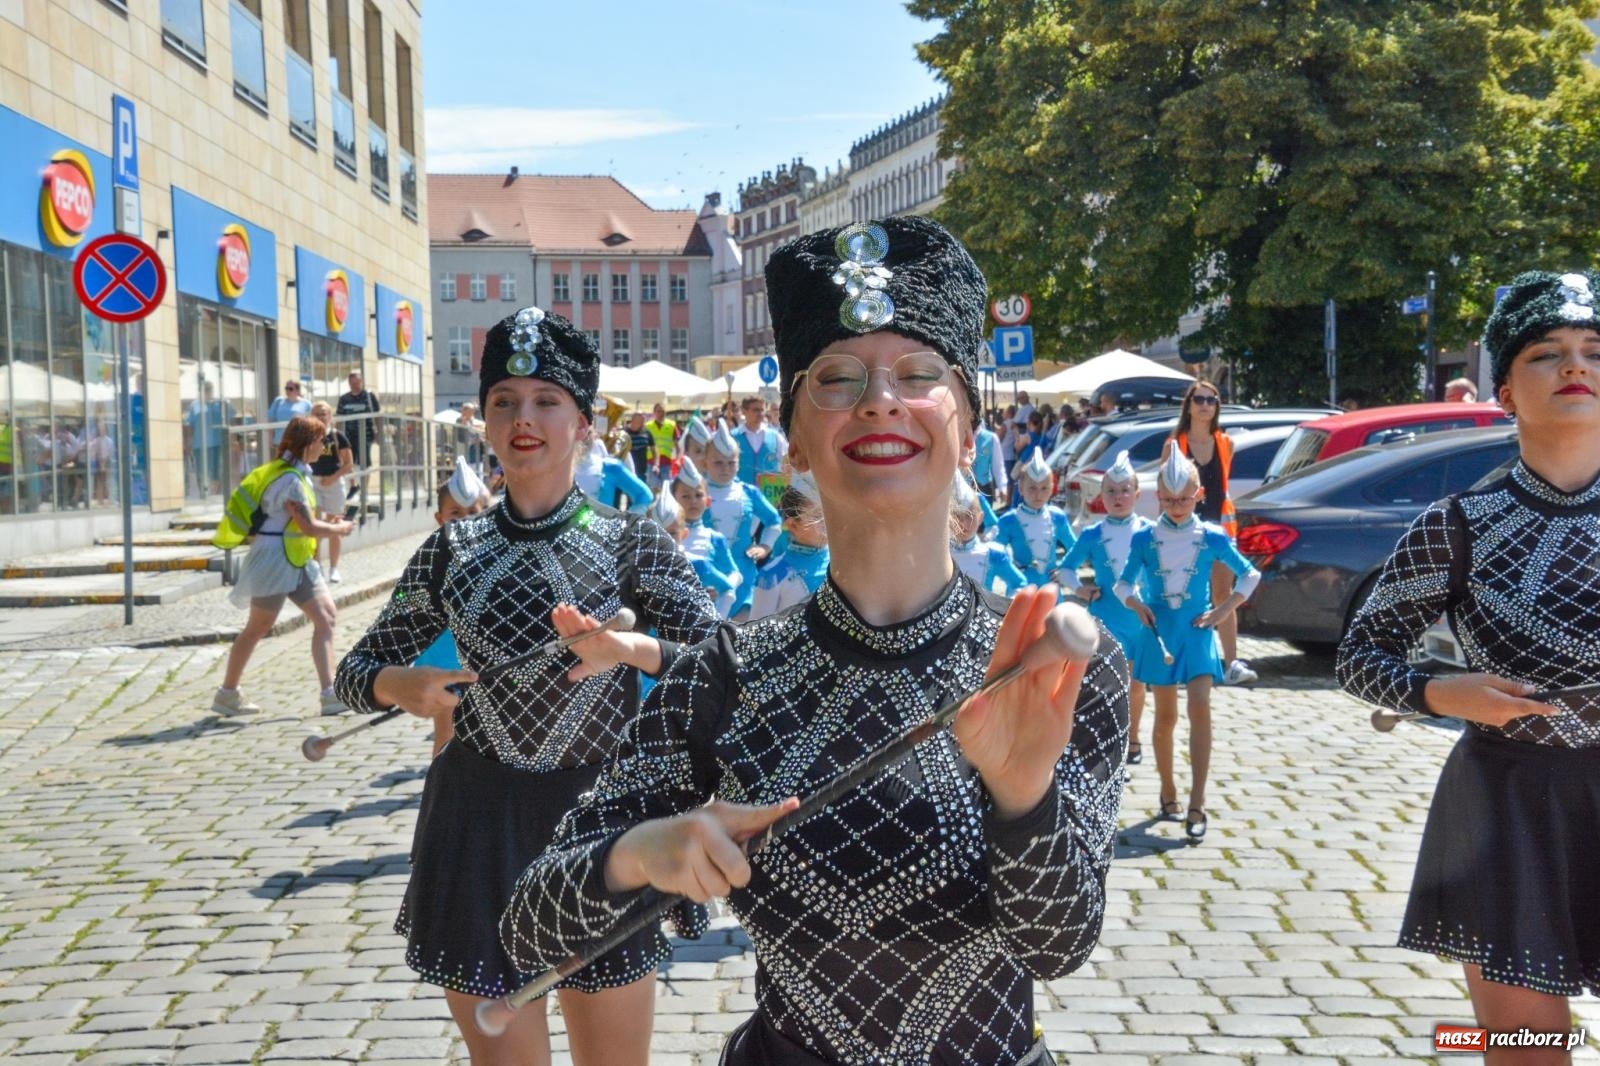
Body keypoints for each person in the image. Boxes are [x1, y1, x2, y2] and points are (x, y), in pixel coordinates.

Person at [500, 216, 1129, 1066]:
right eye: (837, 378)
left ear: (970, 430)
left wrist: (1023, 800)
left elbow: (1060, 946)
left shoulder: (1053, 669)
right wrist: (646, 851)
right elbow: (531, 921)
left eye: (918, 373)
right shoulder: (727, 671)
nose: (880, 399)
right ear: (793, 436)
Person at [334, 307, 719, 1066]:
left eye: (547, 401)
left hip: (602, 831)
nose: (524, 419)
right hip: (475, 831)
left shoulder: (632, 539)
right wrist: (398, 685)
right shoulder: (451, 550)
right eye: (504, 401)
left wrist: (631, 650)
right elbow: (352, 674)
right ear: (484, 421)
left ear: (584, 423)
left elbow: (721, 665)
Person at [1337, 269, 1600, 1054]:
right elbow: (1359, 656)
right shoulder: (1457, 524)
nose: (1576, 366)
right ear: (1506, 391)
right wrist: (1444, 694)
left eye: (1592, 348)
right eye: (1546, 353)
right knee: (1524, 1050)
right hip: (1506, 809)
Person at [1117, 443, 1260, 843]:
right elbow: (1123, 582)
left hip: (1197, 631)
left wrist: (1222, 610)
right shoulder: (1145, 538)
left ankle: (1198, 801)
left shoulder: (1212, 536)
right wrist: (1136, 603)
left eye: (1185, 498)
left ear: (1199, 496)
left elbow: (1249, 576)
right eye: (1170, 499)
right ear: (1158, 497)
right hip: (1160, 630)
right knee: (1165, 718)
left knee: (1200, 707)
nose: (1178, 506)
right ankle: (1168, 790)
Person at [211, 414, 353, 718]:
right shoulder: (289, 479)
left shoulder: (295, 473)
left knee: (326, 617)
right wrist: (339, 529)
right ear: (308, 443)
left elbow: (302, 525)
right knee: (257, 628)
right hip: (275, 560)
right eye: (321, 440)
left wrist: (326, 524)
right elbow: (307, 527)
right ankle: (227, 693)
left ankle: (330, 694)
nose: (324, 445)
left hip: (296, 559)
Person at [1057, 453, 1158, 766]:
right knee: (1108, 683)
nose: (1119, 497)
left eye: (1125, 490)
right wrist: (1079, 588)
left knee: (1137, 684)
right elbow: (1065, 569)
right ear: (1101, 496)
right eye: (1111, 491)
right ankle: (1107, 736)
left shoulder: (1150, 531)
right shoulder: (1092, 534)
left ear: (1137, 495)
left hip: (1139, 619)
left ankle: (1133, 738)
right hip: (1107, 616)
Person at [1172, 379, 1257, 686]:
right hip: (1184, 528)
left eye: (1212, 400)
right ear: (1189, 404)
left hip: (1219, 527)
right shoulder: (1176, 443)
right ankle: (1180, 659)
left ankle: (1232, 662)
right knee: (1183, 594)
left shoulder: (1225, 442)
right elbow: (1167, 486)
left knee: (1224, 594)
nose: (1206, 405)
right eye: (1200, 399)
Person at [412, 458, 493, 757]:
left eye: (473, 513)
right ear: (440, 518)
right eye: (455, 514)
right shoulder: (433, 559)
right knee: (447, 734)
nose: (465, 520)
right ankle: (439, 796)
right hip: (445, 662)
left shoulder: (500, 555)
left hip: (489, 663)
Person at [702, 422, 782, 620]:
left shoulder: (748, 492)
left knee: (741, 632)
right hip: (707, 575)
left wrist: (765, 545)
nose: (725, 469)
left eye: (731, 463)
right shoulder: (696, 494)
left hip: (744, 574)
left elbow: (773, 520)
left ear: (739, 462)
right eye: (718, 463)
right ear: (705, 463)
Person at [669, 457, 743, 617]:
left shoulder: (714, 538)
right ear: (673, 500)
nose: (693, 501)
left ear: (708, 501)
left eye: (698, 495)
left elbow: (735, 574)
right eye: (685, 496)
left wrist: (720, 587)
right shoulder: (663, 532)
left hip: (705, 614)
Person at [748, 477, 829, 619]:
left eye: (829, 514)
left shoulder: (844, 564)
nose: (827, 523)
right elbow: (757, 629)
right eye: (817, 517)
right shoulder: (772, 574)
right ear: (793, 525)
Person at [994, 448, 1076, 587]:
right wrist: (1012, 570)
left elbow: (1075, 548)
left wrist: (1064, 569)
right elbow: (994, 552)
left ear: (1052, 489)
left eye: (1044, 488)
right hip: (1020, 590)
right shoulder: (1009, 520)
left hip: (1051, 590)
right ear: (1020, 488)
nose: (1038, 494)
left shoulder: (1057, 516)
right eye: (1032, 488)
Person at [950, 473, 1027, 595]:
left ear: (980, 518)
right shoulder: (939, 556)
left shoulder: (992, 554)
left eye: (968, 516)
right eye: (957, 516)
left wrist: (1005, 610)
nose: (963, 523)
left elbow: (1019, 584)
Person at [307, 402, 353, 583]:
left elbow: (348, 463)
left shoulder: (337, 437)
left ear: (330, 416)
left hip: (333, 483)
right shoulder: (308, 437)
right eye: (317, 413)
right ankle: (317, 565)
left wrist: (333, 477)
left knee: (335, 524)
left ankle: (334, 568)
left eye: (324, 413)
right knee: (315, 522)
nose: (321, 416)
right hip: (313, 481)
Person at [573, 432, 652, 514]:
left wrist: (628, 521)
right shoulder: (560, 467)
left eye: (588, 432)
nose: (581, 437)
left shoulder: (609, 467)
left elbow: (644, 494)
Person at [736, 394, 788, 484]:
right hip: (742, 494)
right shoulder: (733, 437)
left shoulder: (775, 436)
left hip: (768, 495)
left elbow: (787, 460)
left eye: (762, 410)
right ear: (744, 411)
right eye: (755, 410)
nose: (760, 413)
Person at [337, 370, 380, 474]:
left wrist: (378, 433)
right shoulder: (344, 399)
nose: (354, 386)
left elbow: (377, 416)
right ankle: (354, 486)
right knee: (349, 462)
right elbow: (339, 418)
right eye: (352, 383)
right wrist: (338, 437)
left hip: (366, 436)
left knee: (365, 464)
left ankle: (364, 489)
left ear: (362, 382)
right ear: (349, 383)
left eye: (357, 383)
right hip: (348, 436)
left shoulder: (370, 396)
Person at [973, 414, 1009, 509]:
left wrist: (1002, 487)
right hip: (965, 489)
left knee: (986, 521)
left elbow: (998, 465)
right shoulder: (960, 436)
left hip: (985, 487)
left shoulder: (991, 437)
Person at [644, 403, 678, 489]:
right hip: (651, 462)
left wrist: (678, 460)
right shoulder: (647, 426)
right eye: (658, 411)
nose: (661, 413)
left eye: (663, 411)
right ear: (654, 412)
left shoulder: (672, 425)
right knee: (653, 488)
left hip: (666, 462)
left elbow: (678, 445)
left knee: (666, 488)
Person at [625, 410, 652, 479]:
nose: (642, 422)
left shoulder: (646, 432)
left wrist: (656, 464)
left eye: (643, 420)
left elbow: (654, 449)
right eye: (640, 420)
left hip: (641, 472)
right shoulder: (623, 432)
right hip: (626, 470)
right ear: (633, 420)